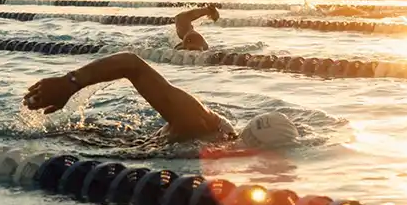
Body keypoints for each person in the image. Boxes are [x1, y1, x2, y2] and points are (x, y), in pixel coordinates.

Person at [24, 51, 298, 148]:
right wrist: (69, 83)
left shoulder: (224, 142)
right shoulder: (200, 122)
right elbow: (131, 63)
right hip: (116, 142)